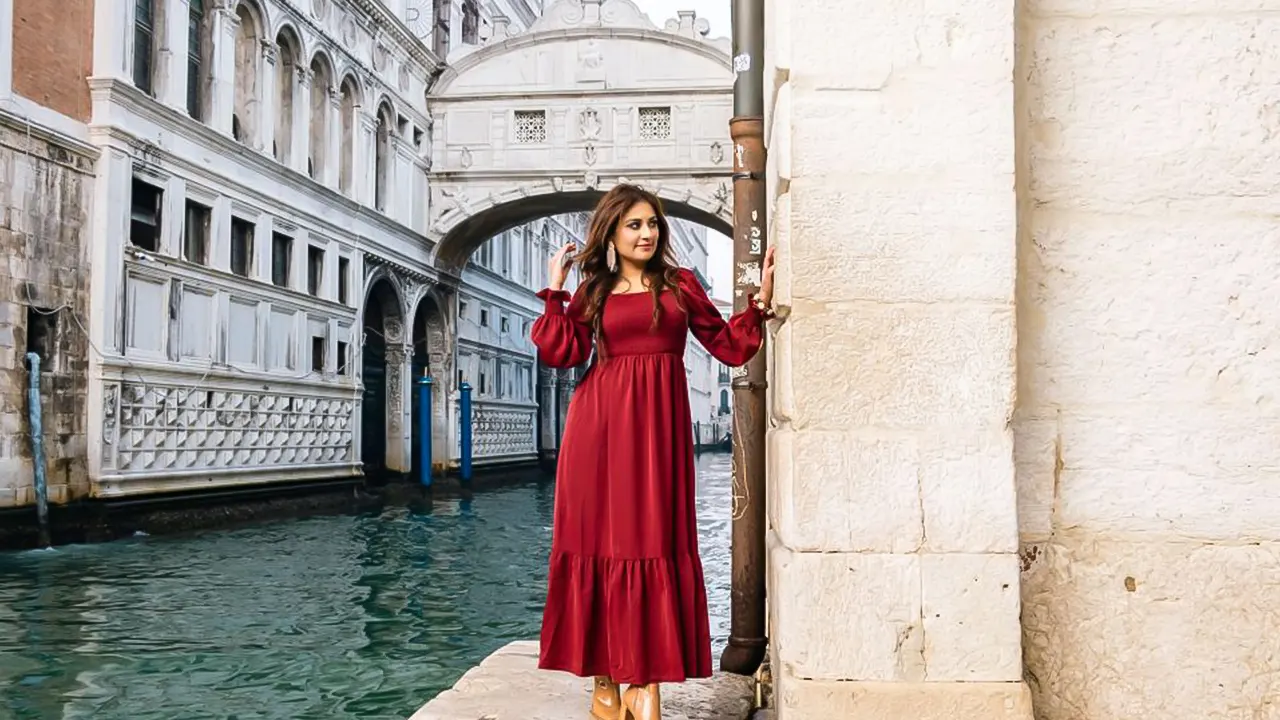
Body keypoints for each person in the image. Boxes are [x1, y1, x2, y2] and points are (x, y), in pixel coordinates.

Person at [530, 184, 775, 720]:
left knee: (650, 542)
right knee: (597, 543)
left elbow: (728, 345)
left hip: (657, 434)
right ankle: (604, 677)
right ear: (612, 234)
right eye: (634, 225)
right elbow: (560, 350)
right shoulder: (592, 291)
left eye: (652, 224)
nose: (646, 234)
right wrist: (554, 290)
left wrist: (757, 306)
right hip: (597, 430)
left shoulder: (680, 285)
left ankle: (640, 681)